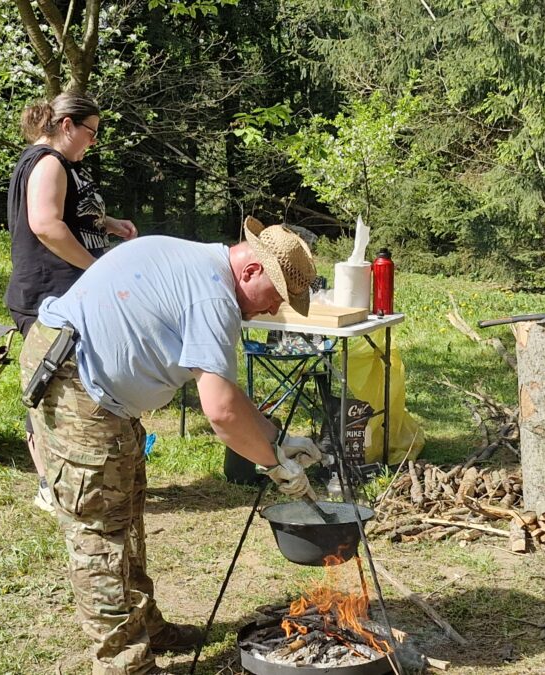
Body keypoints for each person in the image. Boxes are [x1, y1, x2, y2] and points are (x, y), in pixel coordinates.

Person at [19, 217, 324, 675]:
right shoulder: (213, 296)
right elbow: (219, 412)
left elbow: (227, 393)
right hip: (75, 380)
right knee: (100, 533)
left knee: (128, 510)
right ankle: (124, 664)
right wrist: (273, 466)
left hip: (98, 386)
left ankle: (145, 625)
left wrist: (278, 439)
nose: (272, 309)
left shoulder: (204, 267)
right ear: (251, 271)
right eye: (277, 295)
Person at [5, 92, 137, 512]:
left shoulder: (63, 165)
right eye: (90, 132)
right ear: (66, 126)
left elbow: (70, 216)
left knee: (69, 389)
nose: (93, 141)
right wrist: (95, 268)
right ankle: (50, 485)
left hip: (65, 293)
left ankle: (71, 481)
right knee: (52, 393)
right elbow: (45, 225)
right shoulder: (48, 162)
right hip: (49, 295)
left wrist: (108, 224)